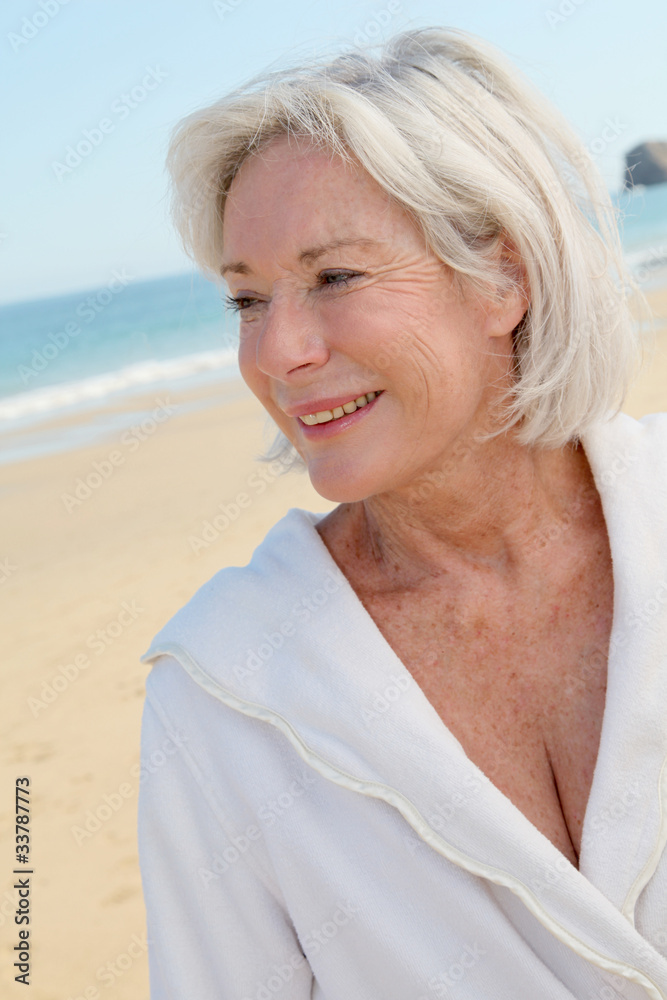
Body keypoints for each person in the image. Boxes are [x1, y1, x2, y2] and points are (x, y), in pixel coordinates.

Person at [137, 26, 667, 1000]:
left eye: (334, 277)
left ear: (502, 278)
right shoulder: (222, 697)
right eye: (246, 300)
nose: (277, 351)